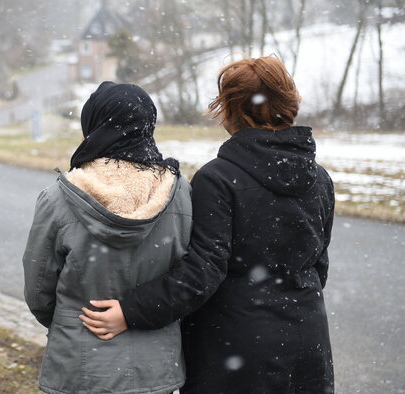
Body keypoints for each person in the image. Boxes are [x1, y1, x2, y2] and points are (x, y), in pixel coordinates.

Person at [82, 56, 336, 393]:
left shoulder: (219, 178)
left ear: (229, 110)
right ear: (289, 102)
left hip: (236, 351)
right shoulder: (320, 178)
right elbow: (319, 265)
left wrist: (132, 310)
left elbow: (203, 271)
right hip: (308, 342)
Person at [22, 82, 192, 394]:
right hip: (154, 369)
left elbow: (38, 292)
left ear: (94, 130)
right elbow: (189, 280)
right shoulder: (180, 194)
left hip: (80, 367)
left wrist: (70, 324)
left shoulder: (58, 197)